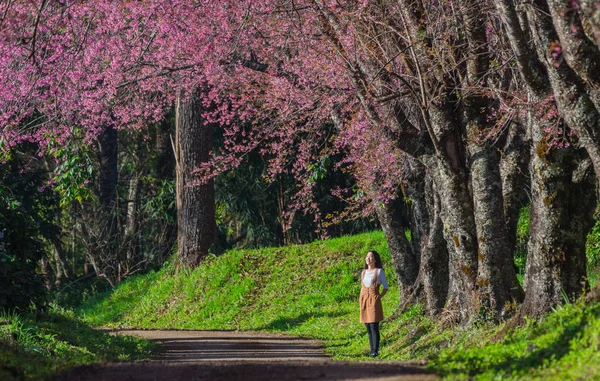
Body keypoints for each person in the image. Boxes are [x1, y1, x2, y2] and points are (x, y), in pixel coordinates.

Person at [359, 250, 388, 357]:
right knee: (367, 326)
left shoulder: (379, 271)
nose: (368, 259)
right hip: (364, 300)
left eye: (371, 257)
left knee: (373, 326)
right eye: (367, 257)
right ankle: (371, 349)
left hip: (373, 301)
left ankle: (375, 350)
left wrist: (379, 296)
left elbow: (385, 287)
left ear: (375, 259)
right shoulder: (363, 272)